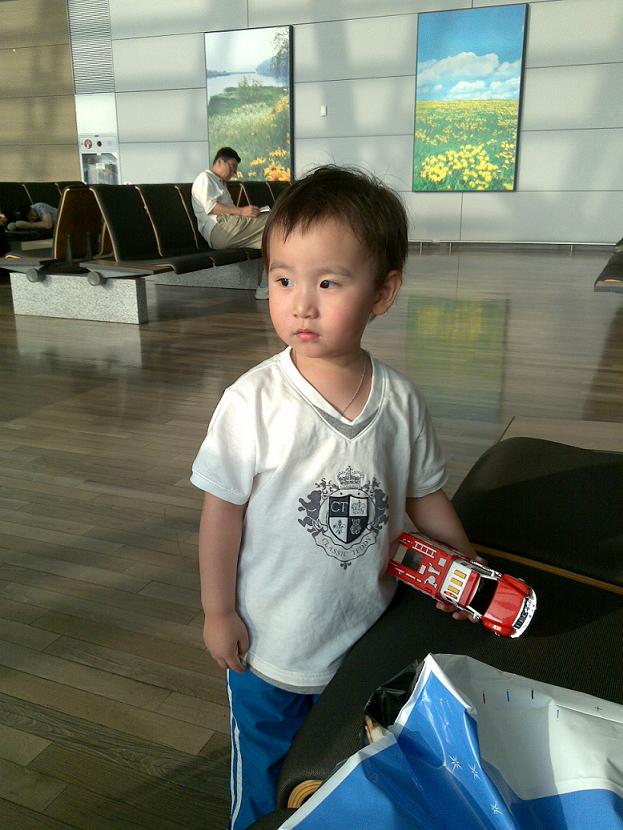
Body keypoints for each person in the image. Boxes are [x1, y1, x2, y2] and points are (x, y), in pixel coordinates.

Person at [191, 165, 476, 830]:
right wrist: (217, 611)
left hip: (361, 643)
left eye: (328, 282)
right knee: (263, 781)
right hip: (267, 648)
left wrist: (463, 565)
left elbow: (424, 495)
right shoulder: (252, 403)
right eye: (283, 279)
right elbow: (221, 515)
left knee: (342, 770)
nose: (301, 304)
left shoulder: (399, 403)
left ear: (383, 292)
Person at [191, 147, 270, 299]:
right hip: (219, 229)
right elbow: (211, 208)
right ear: (220, 161)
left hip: (228, 227)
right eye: (232, 166)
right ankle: (266, 286)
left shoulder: (220, 183)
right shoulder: (205, 178)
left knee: (271, 238)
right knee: (273, 222)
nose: (233, 172)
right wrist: (242, 211)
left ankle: (265, 287)